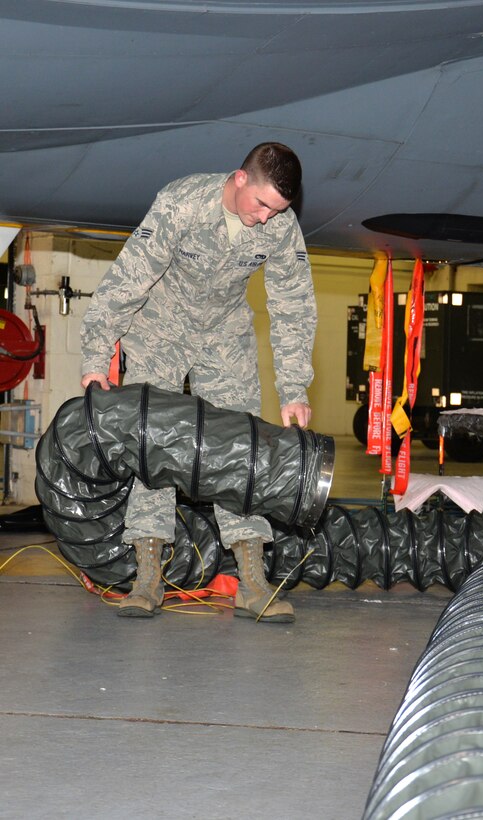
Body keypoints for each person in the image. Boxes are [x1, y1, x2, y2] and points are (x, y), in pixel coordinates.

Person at [80, 142, 316, 623]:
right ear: (239, 179)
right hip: (159, 328)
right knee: (152, 444)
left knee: (238, 446)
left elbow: (293, 307)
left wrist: (293, 388)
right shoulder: (181, 203)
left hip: (224, 332)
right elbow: (129, 279)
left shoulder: (280, 226)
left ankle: (251, 580)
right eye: (262, 205)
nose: (268, 219)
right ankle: (147, 578)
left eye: (279, 211)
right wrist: (96, 355)